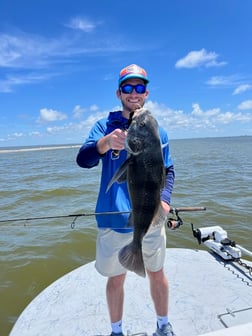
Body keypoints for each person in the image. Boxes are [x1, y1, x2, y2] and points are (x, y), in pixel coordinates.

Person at [76, 64, 176, 336]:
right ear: (119, 92)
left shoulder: (157, 131)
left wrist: (164, 200)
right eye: (128, 88)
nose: (134, 93)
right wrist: (105, 144)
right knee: (116, 279)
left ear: (147, 93)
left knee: (157, 273)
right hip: (114, 219)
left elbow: (167, 170)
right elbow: (83, 160)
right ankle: (117, 331)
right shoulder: (104, 126)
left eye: (140, 87)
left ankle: (163, 326)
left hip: (151, 220)